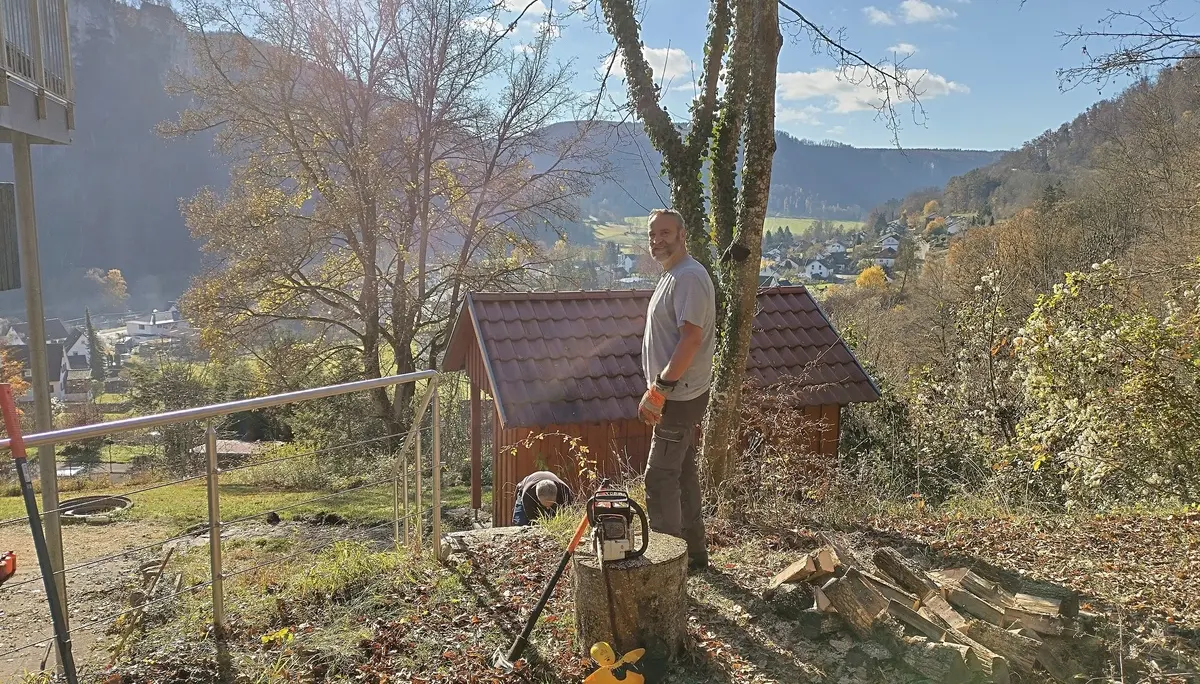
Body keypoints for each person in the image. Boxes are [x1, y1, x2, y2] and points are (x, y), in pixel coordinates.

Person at [637, 208, 716, 572]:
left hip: (678, 396)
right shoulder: (673, 274)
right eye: (653, 234)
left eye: (665, 233)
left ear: (682, 234)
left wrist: (660, 389)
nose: (657, 240)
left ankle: (666, 565)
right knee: (682, 473)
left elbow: (691, 338)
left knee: (659, 478)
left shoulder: (688, 277)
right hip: (676, 393)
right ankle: (693, 555)